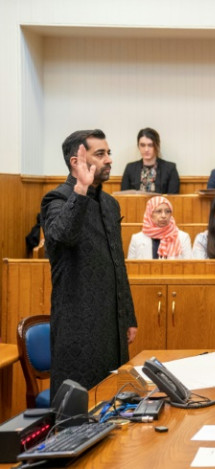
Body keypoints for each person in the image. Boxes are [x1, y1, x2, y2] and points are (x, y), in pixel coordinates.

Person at [40, 129, 138, 398]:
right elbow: (61, 237)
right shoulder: (56, 199)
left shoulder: (110, 204)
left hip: (112, 326)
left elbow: (118, 264)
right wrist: (80, 190)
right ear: (77, 162)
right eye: (100, 154)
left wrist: (128, 316)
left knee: (115, 406)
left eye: (109, 153)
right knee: (78, 412)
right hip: (78, 329)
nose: (109, 160)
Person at [127, 195, 193, 259]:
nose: (164, 216)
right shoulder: (136, 239)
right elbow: (132, 267)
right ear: (150, 214)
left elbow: (188, 266)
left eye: (167, 211)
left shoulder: (183, 237)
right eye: (159, 211)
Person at [120, 127, 180, 194]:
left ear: (157, 146)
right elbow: (124, 197)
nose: (146, 149)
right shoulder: (130, 168)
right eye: (142, 145)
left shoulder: (170, 168)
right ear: (138, 146)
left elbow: (173, 198)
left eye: (150, 145)